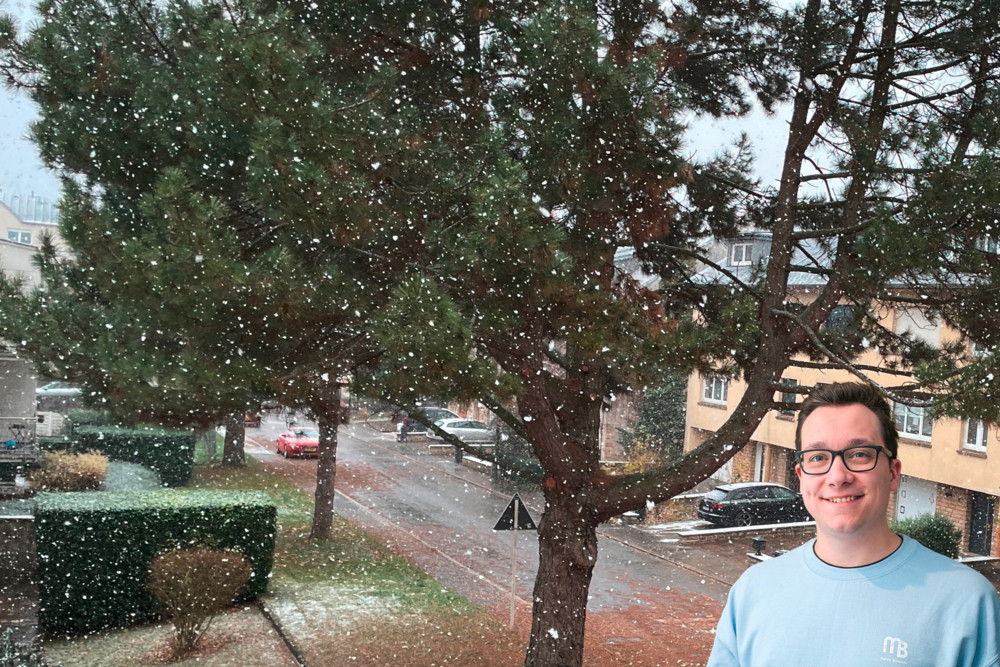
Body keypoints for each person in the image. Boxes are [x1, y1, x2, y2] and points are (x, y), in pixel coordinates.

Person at [707, 382, 1000, 667]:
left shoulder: (967, 602)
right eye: (818, 457)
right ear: (800, 475)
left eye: (859, 454)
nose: (838, 476)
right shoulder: (752, 592)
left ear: (893, 473)